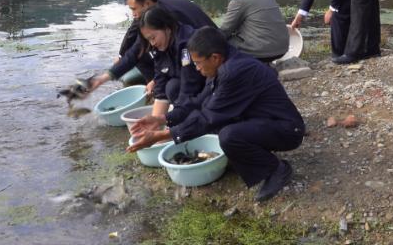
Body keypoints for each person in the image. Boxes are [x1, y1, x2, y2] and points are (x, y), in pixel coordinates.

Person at [129, 27, 305, 202]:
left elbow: (207, 117)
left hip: (288, 130)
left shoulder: (234, 72)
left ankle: (276, 169)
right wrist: (162, 118)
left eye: (198, 63)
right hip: (262, 120)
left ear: (214, 57)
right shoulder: (223, 63)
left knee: (228, 136)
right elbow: (199, 102)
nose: (196, 68)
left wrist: (162, 135)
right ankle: (249, 159)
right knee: (216, 127)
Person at [85, 0, 215, 93]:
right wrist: (105, 77)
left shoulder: (170, 17)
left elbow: (184, 59)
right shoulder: (151, 15)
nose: (133, 14)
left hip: (208, 52)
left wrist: (160, 81)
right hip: (192, 56)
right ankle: (157, 89)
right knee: (151, 62)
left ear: (147, 3)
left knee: (176, 86)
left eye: (134, 9)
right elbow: (136, 49)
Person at [139, 5, 207, 121]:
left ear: (167, 28)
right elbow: (160, 86)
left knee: (174, 88)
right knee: (170, 86)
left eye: (153, 37)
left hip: (206, 86)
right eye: (148, 40)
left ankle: (197, 120)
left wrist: (171, 124)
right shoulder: (159, 49)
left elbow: (188, 85)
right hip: (187, 86)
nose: (152, 43)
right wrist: (155, 124)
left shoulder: (187, 45)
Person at [217, 0, 289, 62]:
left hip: (263, 52)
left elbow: (226, 30)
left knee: (221, 43)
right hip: (282, 48)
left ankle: (232, 72)